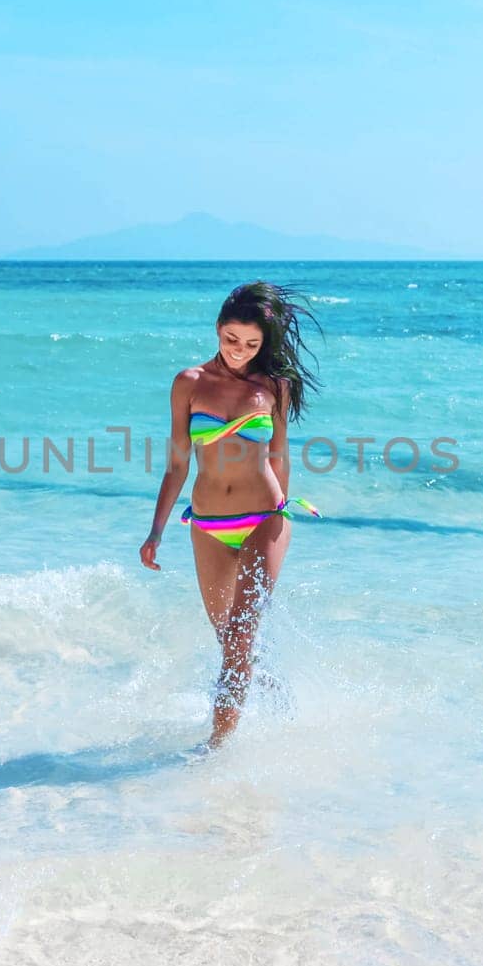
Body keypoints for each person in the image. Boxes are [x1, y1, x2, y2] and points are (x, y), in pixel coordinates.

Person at [139, 282, 323, 749]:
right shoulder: (189, 383)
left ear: (264, 344)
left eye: (252, 344)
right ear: (218, 330)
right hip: (208, 525)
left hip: (264, 518)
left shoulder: (273, 387)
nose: (240, 351)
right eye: (231, 340)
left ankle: (215, 752)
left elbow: (279, 458)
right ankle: (281, 705)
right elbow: (178, 463)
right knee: (232, 643)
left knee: (240, 637)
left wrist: (283, 512)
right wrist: (155, 532)